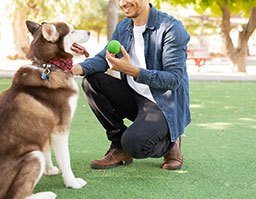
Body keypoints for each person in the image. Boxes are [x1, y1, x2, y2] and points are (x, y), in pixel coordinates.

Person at [71, 0, 191, 170]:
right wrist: (74, 69)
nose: (123, 3)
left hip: (164, 104)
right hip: (135, 97)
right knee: (92, 81)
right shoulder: (124, 28)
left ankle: (171, 142)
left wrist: (134, 71)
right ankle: (119, 147)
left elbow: (173, 79)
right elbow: (102, 59)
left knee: (135, 144)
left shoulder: (171, 28)